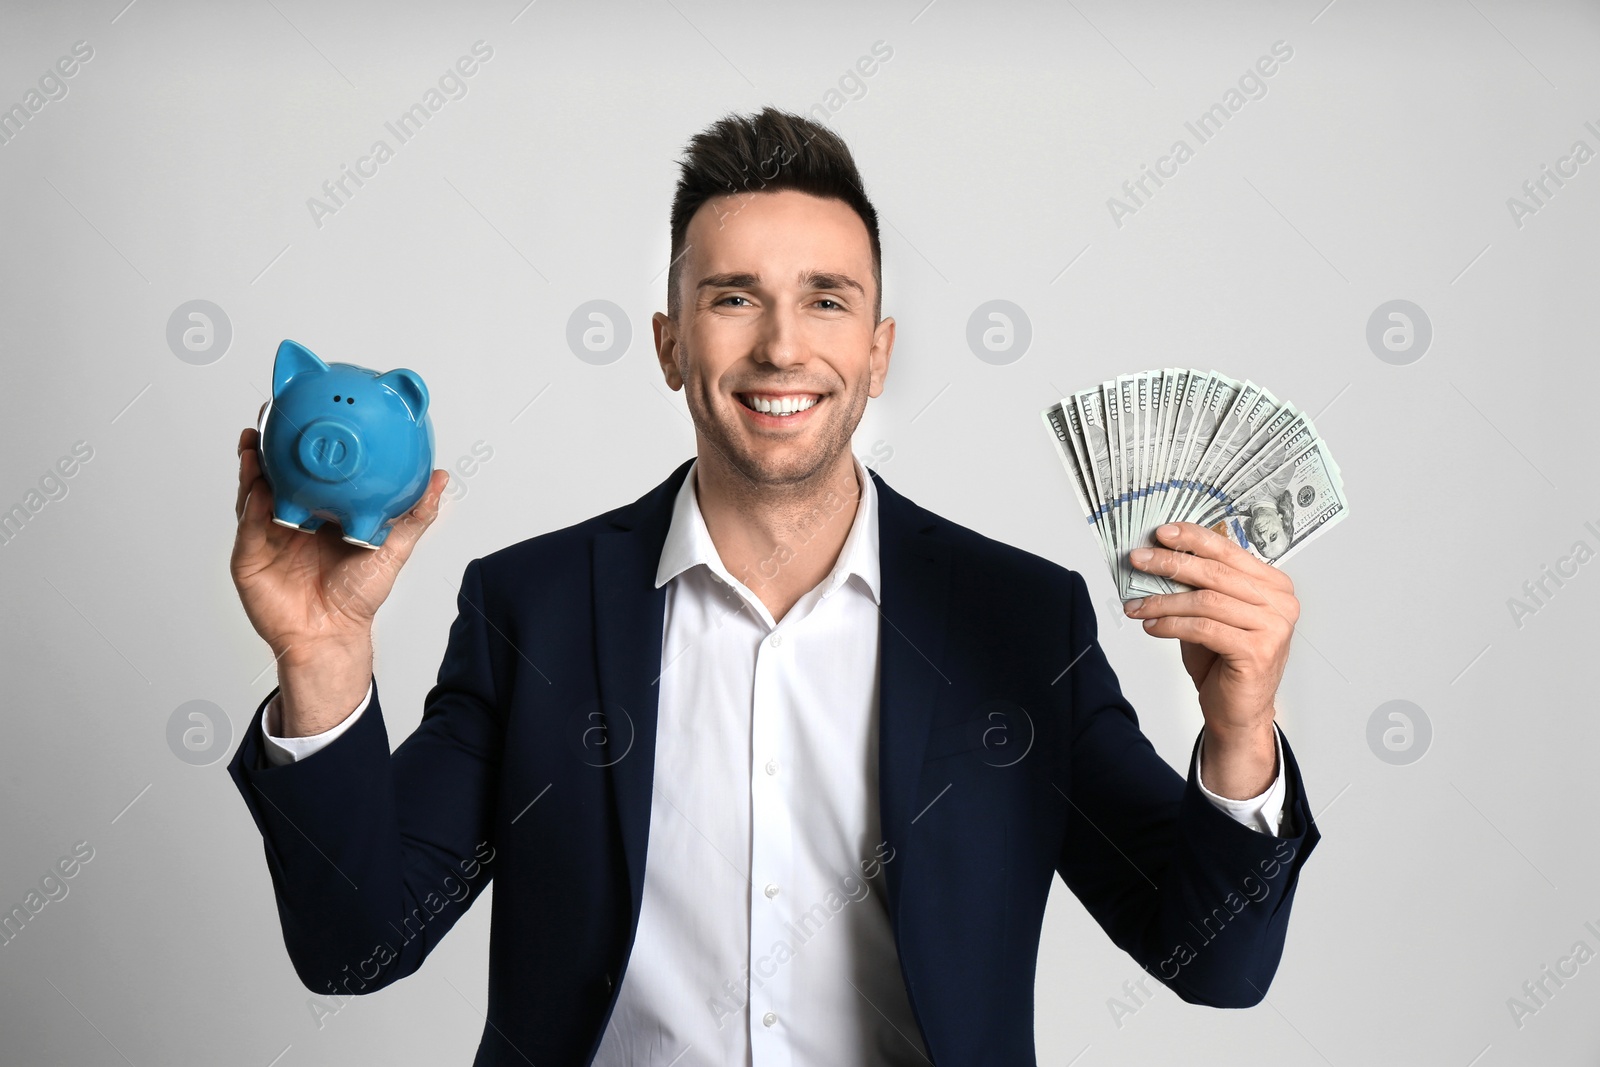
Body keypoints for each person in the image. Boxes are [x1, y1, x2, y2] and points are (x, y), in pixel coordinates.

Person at [228, 108, 1320, 1067]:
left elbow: (1211, 962)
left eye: (827, 301)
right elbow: (355, 947)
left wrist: (1240, 729)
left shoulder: (1021, 622)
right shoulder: (533, 610)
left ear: (880, 350)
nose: (782, 346)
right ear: (669, 343)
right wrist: (321, 663)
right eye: (734, 297)